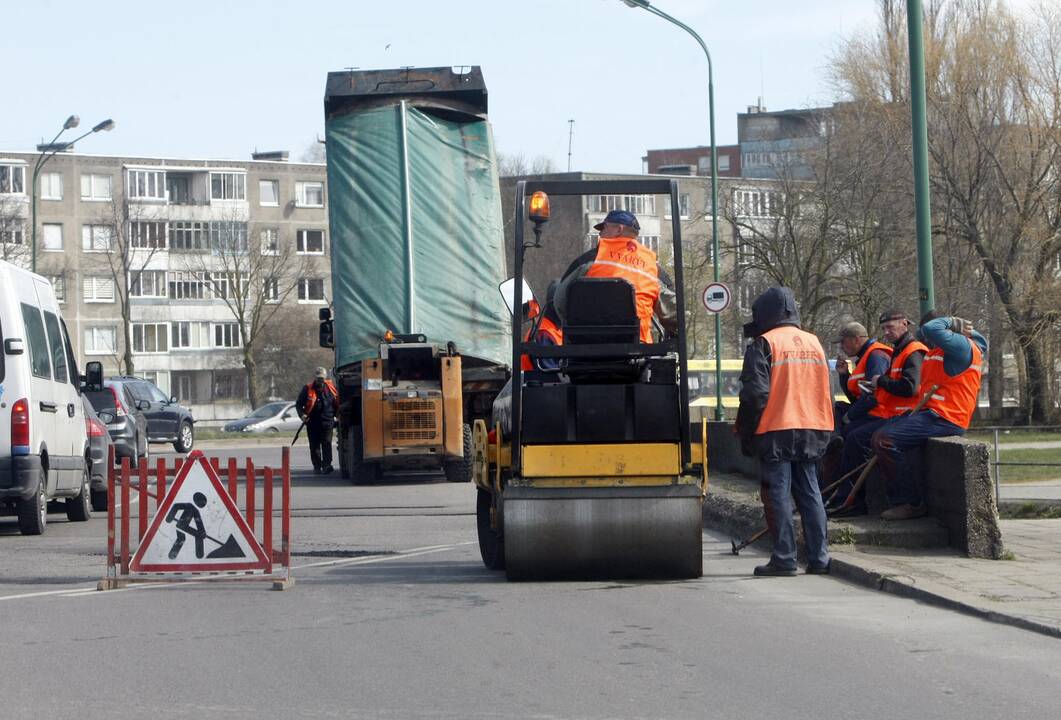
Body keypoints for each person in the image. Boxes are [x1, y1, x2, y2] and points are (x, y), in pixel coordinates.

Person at [736, 287, 833, 576]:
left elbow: (755, 395)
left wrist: (747, 432)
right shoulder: (814, 342)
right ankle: (819, 558)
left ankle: (785, 557)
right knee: (811, 493)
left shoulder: (764, 343)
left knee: (778, 492)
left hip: (777, 427)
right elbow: (825, 388)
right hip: (814, 426)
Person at [870, 311, 987, 520]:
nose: (924, 338)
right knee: (881, 433)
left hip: (947, 418)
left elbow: (931, 328)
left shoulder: (960, 347)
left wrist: (952, 321)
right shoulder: (941, 350)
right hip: (931, 413)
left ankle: (910, 503)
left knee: (885, 440)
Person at [827, 309, 927, 516]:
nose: (886, 332)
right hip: (890, 412)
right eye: (884, 328)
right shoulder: (898, 350)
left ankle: (860, 500)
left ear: (904, 325)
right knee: (846, 426)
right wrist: (845, 377)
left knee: (858, 437)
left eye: (890, 327)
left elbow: (910, 388)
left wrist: (852, 415)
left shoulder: (905, 351)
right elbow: (862, 394)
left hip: (900, 414)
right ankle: (841, 493)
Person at [556, 209, 677, 343]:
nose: (600, 233)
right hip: (637, 350)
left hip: (587, 347)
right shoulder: (652, 267)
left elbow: (560, 301)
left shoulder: (589, 261)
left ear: (618, 229)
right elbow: (673, 312)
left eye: (604, 228)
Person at [834, 321, 891, 425]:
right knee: (836, 408)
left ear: (856, 339)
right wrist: (844, 375)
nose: (841, 346)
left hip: (879, 415)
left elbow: (872, 397)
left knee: (853, 436)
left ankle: (837, 439)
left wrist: (849, 416)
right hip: (870, 413)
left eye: (843, 342)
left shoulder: (876, 356)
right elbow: (855, 397)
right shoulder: (866, 356)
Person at [296, 367, 339, 474]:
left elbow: (336, 403)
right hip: (312, 422)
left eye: (322, 379)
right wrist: (303, 416)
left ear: (325, 378)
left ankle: (327, 465)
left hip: (327, 422)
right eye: (318, 378)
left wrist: (338, 415)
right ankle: (317, 466)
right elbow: (298, 405)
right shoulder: (307, 389)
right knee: (314, 446)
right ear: (315, 378)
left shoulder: (330, 388)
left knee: (327, 444)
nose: (320, 381)